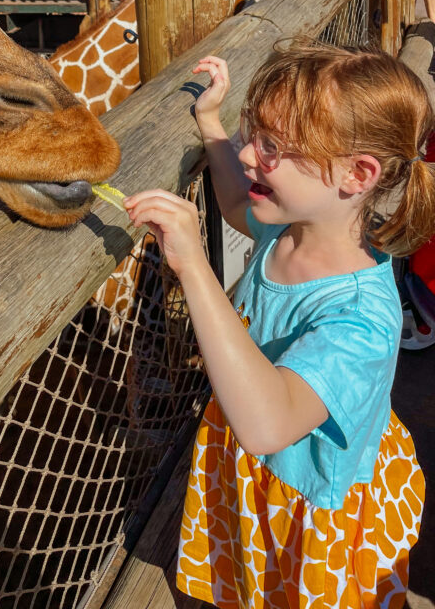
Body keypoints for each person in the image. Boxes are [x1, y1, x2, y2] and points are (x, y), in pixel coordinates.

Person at [124, 40, 432, 608]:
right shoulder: (293, 228)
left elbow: (267, 425)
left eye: (271, 147)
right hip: (264, 474)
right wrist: (211, 122)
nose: (248, 156)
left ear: (357, 174)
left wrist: (193, 265)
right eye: (253, 136)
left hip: (311, 499)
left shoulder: (362, 317)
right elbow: (239, 202)